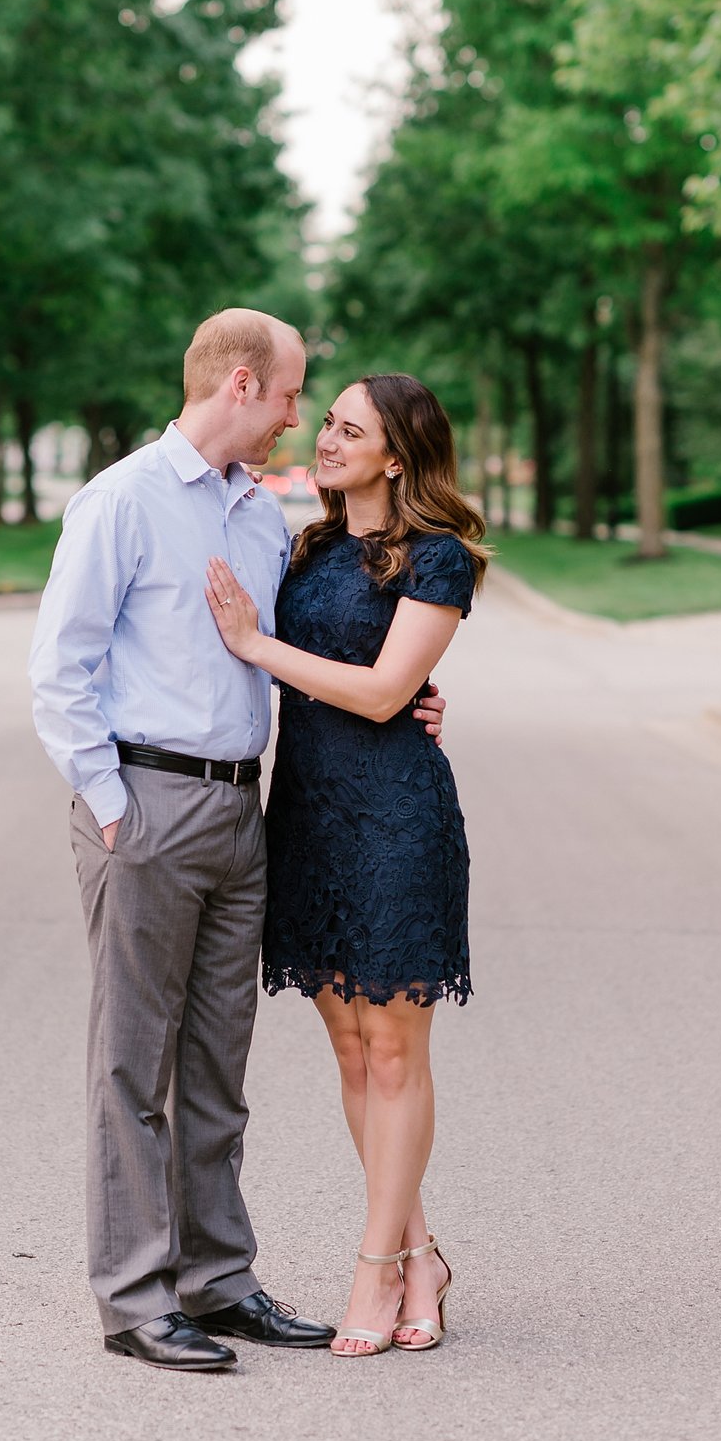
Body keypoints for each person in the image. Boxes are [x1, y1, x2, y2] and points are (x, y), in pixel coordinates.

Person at [29, 308, 449, 1372]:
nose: (301, 419)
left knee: (218, 1062)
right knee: (133, 1059)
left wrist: (414, 696)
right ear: (245, 384)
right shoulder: (121, 499)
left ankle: (216, 1279)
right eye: (295, 395)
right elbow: (60, 665)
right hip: (148, 801)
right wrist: (108, 798)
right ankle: (135, 1297)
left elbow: (329, 642)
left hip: (244, 808)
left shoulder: (262, 518)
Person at [202, 371, 484, 1358]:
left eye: (348, 428)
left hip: (397, 820)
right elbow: (364, 676)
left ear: (397, 453)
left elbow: (378, 694)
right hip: (311, 816)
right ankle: (421, 1254)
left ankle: (373, 1269)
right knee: (352, 1050)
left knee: (397, 1048)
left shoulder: (440, 557)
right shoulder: (309, 543)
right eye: (325, 420)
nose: (324, 438)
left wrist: (255, 644)